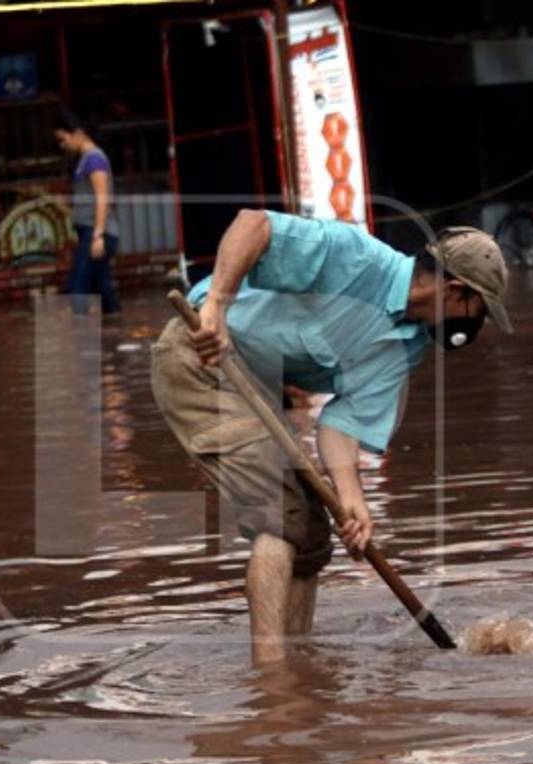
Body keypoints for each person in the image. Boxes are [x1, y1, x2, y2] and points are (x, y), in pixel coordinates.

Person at [151, 210, 512, 664]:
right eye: (478, 313)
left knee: (312, 534)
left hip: (258, 386)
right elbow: (252, 225)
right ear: (455, 290)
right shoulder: (355, 257)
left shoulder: (408, 346)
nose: (473, 328)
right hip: (200, 357)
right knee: (282, 513)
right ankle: (272, 676)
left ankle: (299, 665)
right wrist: (217, 307)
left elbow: (341, 424)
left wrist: (352, 499)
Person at [53, 111, 120, 315]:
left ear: (78, 133)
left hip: (96, 232)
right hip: (90, 232)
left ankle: (81, 332)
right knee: (102, 287)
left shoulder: (94, 158)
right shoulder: (86, 159)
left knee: (78, 288)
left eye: (62, 139)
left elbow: (102, 197)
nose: (62, 145)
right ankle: (117, 326)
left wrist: (98, 235)